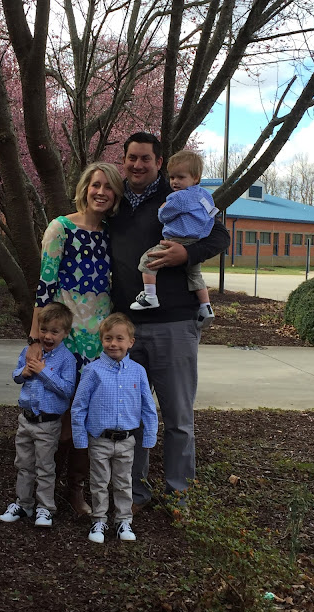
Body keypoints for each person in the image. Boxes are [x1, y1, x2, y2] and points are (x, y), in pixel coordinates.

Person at [108, 132, 230, 511]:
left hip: (174, 323)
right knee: (132, 415)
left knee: (178, 416)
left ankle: (179, 493)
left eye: (145, 158)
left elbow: (220, 237)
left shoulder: (180, 193)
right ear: (124, 160)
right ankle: (135, 492)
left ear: (158, 163)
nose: (137, 165)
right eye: (132, 157)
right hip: (126, 328)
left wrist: (186, 255)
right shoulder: (115, 200)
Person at [26, 162, 124, 516]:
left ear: (116, 195)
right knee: (59, 413)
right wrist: (35, 338)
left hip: (99, 341)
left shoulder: (112, 233)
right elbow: (45, 285)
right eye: (95, 184)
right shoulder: (61, 228)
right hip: (65, 338)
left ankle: (76, 489)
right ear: (85, 188)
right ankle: (43, 491)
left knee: (87, 416)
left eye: (108, 187)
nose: (101, 192)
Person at [71, 313, 158, 543]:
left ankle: (123, 520)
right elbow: (79, 407)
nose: (113, 343)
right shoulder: (92, 371)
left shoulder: (138, 371)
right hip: (99, 439)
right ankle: (99, 519)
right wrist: (80, 439)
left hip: (127, 441)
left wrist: (149, 436)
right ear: (101, 340)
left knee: (124, 482)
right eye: (108, 338)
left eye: (120, 338)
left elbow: (148, 407)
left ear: (131, 342)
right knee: (99, 482)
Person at [0, 302, 77, 527]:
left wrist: (44, 372)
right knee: (23, 464)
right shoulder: (29, 352)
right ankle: (23, 504)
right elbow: (16, 375)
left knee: (45, 467)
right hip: (26, 420)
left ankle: (45, 508)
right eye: (44, 330)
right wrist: (23, 372)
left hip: (48, 424)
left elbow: (67, 390)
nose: (48, 336)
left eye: (54, 331)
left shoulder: (67, 359)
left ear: (65, 333)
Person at [130, 150, 218, 328]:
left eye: (181, 177)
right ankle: (206, 307)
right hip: (195, 241)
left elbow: (164, 216)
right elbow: (212, 215)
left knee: (148, 261)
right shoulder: (205, 195)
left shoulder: (179, 197)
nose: (175, 182)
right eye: (172, 177)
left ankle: (150, 296)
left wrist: (162, 208)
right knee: (195, 275)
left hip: (176, 240)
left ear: (195, 178)